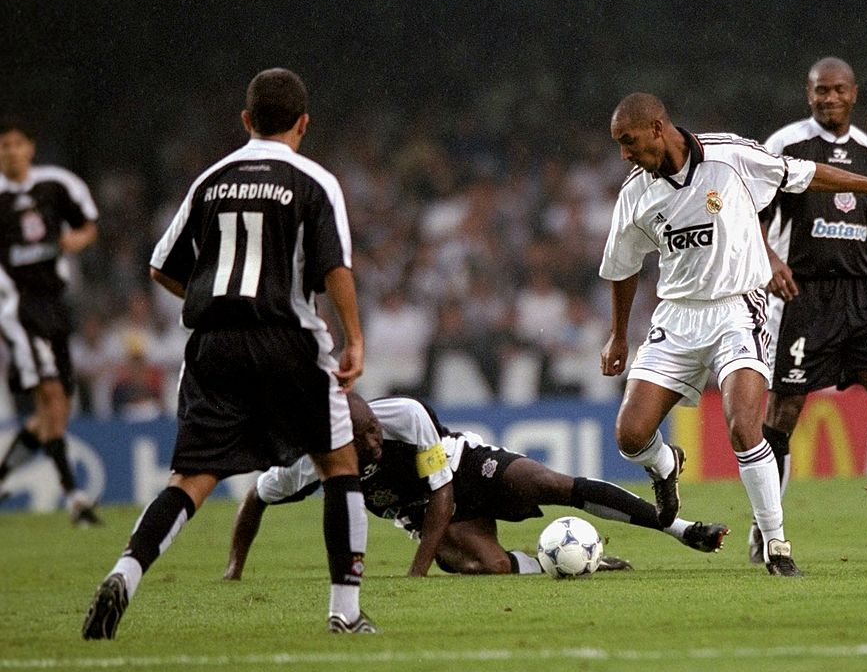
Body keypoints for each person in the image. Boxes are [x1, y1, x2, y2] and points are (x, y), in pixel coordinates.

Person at [82, 68, 375, 639]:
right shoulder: (314, 180)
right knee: (339, 465)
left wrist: (212, 295)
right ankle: (344, 610)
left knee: (190, 479)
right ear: (303, 123)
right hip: (287, 338)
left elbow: (161, 266)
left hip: (213, 346)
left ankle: (126, 571)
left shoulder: (210, 180)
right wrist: (355, 338)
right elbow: (335, 265)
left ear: (246, 121)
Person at [599, 92, 867, 577]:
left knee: (744, 427)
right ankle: (666, 467)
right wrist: (618, 336)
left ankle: (776, 544)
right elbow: (622, 268)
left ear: (658, 128)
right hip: (677, 315)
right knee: (630, 435)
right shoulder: (636, 193)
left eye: (628, 141)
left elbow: (808, 175)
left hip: (738, 309)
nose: (624, 153)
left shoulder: (730, 155)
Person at [223, 393, 730, 580]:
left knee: (548, 482)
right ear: (339, 440)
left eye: (375, 430)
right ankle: (571, 563)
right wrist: (234, 568)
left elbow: (444, 491)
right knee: (481, 564)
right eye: (364, 438)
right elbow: (254, 499)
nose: (376, 441)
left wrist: (417, 572)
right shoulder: (309, 466)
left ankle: (681, 528)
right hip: (425, 516)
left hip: (462, 469)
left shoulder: (405, 415)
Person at [753, 58, 867, 563]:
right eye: (819, 91)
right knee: (785, 411)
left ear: (854, 93)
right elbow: (752, 216)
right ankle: (767, 528)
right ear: (806, 94)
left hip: (860, 293)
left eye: (837, 90)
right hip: (801, 295)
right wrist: (769, 260)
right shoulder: (785, 145)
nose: (828, 99)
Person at [0, 119, 100, 525]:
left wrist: (76, 239)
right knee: (52, 395)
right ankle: (75, 496)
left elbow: (87, 226)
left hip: (55, 305)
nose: (9, 151)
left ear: (30, 148)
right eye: (3, 145)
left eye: (16, 144)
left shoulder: (56, 184)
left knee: (52, 413)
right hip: (17, 307)